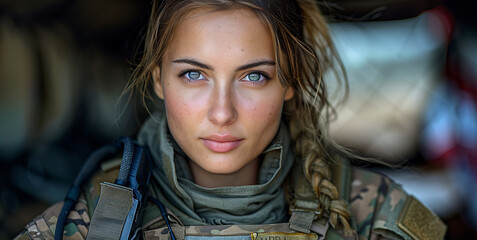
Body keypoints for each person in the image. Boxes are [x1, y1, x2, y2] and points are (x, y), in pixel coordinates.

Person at [15, 0, 446, 239]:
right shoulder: (85, 223)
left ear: (289, 82)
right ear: (159, 82)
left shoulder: (377, 216)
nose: (222, 112)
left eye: (254, 76)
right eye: (194, 75)